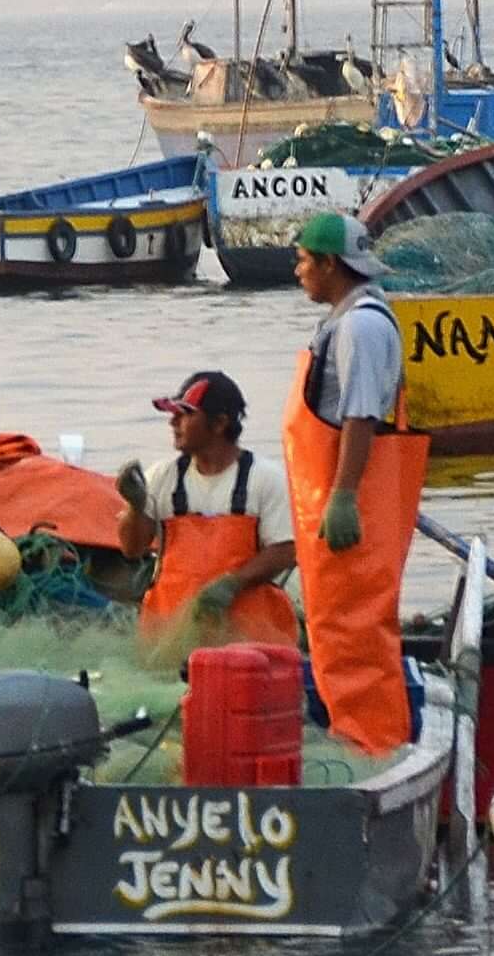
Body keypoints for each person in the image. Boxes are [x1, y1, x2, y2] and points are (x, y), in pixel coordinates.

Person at [284, 213, 424, 751]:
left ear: (330, 263)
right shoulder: (345, 320)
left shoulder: (361, 326)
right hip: (328, 509)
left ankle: (374, 746)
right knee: (335, 632)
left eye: (303, 260)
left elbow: (361, 417)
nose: (298, 271)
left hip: (351, 508)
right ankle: (356, 734)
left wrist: (343, 496)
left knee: (355, 633)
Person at [128, 368, 297, 657]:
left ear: (219, 424)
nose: (173, 422)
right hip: (165, 643)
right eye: (173, 414)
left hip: (249, 648)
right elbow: (132, 549)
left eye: (185, 414)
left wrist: (233, 583)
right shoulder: (161, 477)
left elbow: (287, 550)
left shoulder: (265, 478)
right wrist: (134, 506)